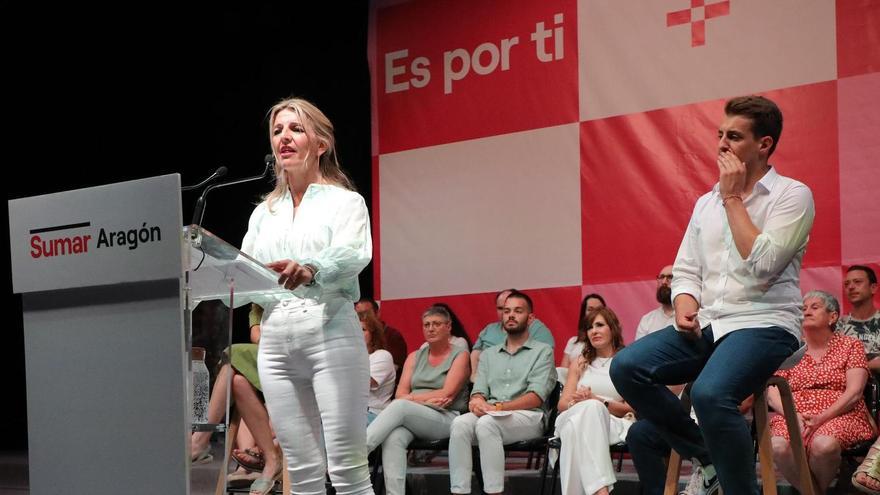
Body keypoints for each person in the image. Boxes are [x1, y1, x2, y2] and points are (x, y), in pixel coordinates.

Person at [610, 95, 815, 494]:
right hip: (713, 323)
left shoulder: (793, 195)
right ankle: (707, 457)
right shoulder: (705, 203)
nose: (721, 144)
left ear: (764, 144)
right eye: (719, 134)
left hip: (767, 322)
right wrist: (685, 303)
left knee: (710, 392)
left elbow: (763, 264)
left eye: (734, 137)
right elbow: (686, 269)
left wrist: (734, 197)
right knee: (626, 367)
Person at [241, 97, 373, 495]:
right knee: (301, 470)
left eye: (296, 129)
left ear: (320, 144)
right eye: (278, 130)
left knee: (348, 470)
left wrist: (312, 269)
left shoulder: (345, 202)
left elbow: (353, 254)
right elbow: (245, 266)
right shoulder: (264, 212)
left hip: (329, 332)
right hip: (276, 343)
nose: (284, 137)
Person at [449, 290, 556, 495]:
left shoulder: (543, 351)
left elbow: (536, 397)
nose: (511, 315)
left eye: (518, 311)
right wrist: (476, 401)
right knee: (460, 424)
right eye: (506, 311)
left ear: (530, 317)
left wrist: (497, 407)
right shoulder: (489, 354)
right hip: (491, 413)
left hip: (529, 417)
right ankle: (459, 491)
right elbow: (478, 390)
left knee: (487, 424)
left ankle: (494, 492)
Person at [768, 290, 873, 493]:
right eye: (803, 308)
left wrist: (822, 417)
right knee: (777, 445)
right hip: (791, 414)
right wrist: (792, 416)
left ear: (832, 316)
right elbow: (771, 392)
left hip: (842, 414)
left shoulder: (850, 345)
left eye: (814, 307)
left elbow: (854, 392)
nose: (806, 312)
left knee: (823, 445)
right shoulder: (789, 347)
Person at [365, 305, 470, 495]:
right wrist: (423, 401)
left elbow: (447, 392)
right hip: (417, 414)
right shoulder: (414, 356)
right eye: (426, 324)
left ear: (448, 326)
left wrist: (412, 398)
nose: (430, 328)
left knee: (401, 407)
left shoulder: (460, 355)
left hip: (447, 417)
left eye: (436, 324)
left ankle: (359, 453)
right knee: (393, 436)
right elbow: (400, 393)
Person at [190, 304, 281, 490]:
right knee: (239, 381)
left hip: (297, 358)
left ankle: (201, 439)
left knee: (234, 355)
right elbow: (256, 336)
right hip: (269, 358)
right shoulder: (259, 301)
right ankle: (255, 461)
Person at [554, 307, 634, 495]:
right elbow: (562, 405)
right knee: (585, 412)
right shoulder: (580, 362)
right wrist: (580, 402)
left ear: (613, 328)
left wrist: (598, 401)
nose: (594, 331)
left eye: (599, 325)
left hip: (612, 422)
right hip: (575, 413)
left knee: (576, 427)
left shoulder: (626, 362)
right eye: (589, 327)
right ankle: (601, 491)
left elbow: (631, 409)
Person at [471, 288, 555, 381]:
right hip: (487, 380)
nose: (509, 314)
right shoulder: (489, 329)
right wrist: (474, 375)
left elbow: (545, 360)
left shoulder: (538, 329)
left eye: (517, 310)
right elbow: (475, 353)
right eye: (502, 309)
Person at [838, 265, 880, 372]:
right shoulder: (837, 326)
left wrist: (858, 366)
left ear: (873, 288)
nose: (851, 287)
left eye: (857, 282)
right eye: (847, 284)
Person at [356, 297, 409, 376]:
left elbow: (392, 370)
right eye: (357, 314)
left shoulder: (393, 336)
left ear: (377, 313)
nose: (361, 317)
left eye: (366, 313)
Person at [362, 312, 396, 424]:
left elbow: (362, 383)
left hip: (373, 413)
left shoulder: (382, 355)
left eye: (363, 330)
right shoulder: (345, 357)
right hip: (349, 413)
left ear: (373, 334)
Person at [560, 293, 606, 368]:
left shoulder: (608, 342)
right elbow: (563, 371)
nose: (594, 313)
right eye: (590, 309)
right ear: (584, 313)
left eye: (598, 309)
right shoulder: (573, 341)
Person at [634, 265, 676, 341]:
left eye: (670, 277)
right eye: (661, 277)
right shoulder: (647, 320)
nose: (664, 282)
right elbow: (641, 352)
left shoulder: (693, 316)